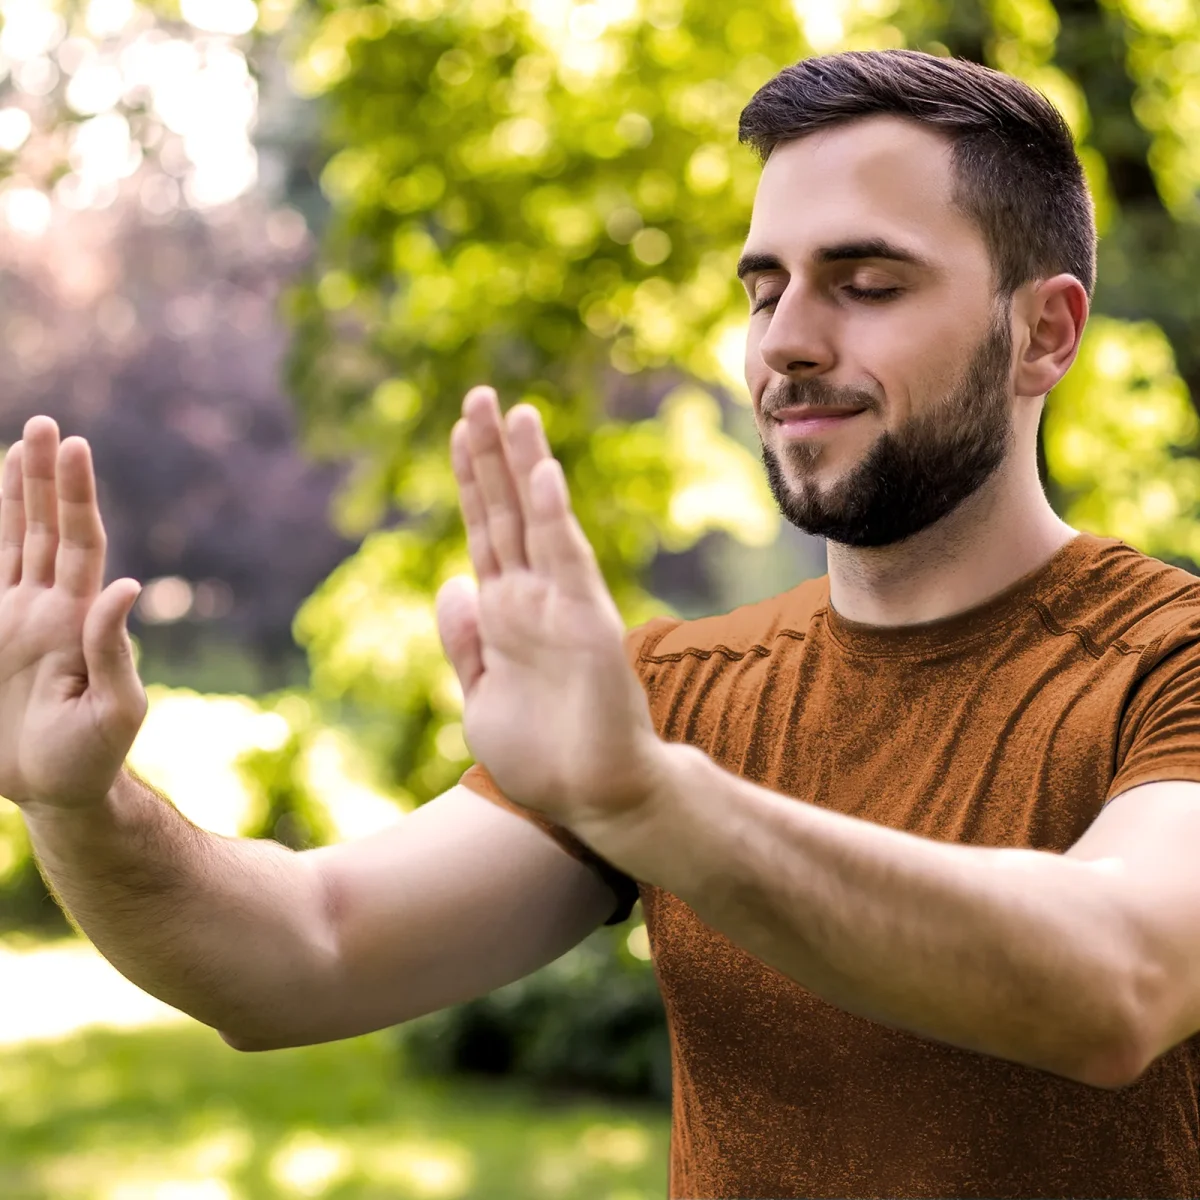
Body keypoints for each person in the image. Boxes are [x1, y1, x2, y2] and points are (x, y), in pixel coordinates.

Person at [5, 46, 1200, 1199]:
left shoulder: (1169, 665)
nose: (786, 341)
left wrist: (648, 800)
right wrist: (79, 803)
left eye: (868, 285)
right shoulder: (674, 700)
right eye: (766, 287)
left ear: (1044, 332)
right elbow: (297, 957)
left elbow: (1116, 982)